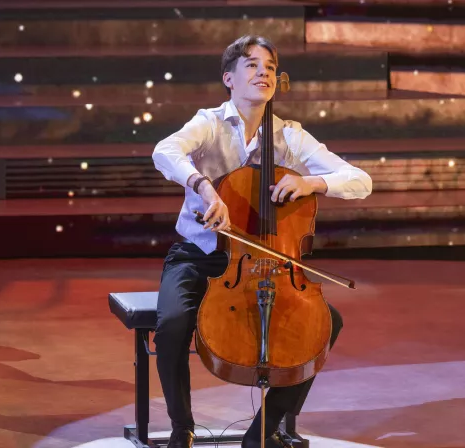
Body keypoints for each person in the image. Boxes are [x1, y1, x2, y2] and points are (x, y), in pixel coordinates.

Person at [150, 34, 373, 448]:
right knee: (172, 324)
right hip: (198, 255)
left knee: (325, 325)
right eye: (252, 65)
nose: (263, 73)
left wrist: (311, 183)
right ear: (229, 78)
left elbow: (361, 180)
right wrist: (204, 186)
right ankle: (182, 427)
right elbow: (165, 151)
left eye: (270, 67)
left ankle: (262, 432)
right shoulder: (209, 123)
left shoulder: (290, 136)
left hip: (271, 264)